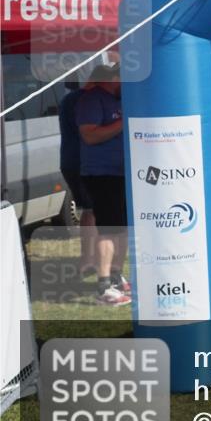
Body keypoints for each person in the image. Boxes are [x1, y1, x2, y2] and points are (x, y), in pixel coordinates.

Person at [75, 64, 130, 306]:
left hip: (122, 173)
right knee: (109, 229)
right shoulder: (92, 100)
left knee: (123, 228)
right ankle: (104, 286)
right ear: (114, 78)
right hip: (101, 174)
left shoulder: (117, 99)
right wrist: (123, 122)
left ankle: (116, 276)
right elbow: (89, 135)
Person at [58, 80, 97, 277]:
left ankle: (88, 260)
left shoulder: (69, 99)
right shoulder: (88, 101)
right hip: (84, 162)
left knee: (89, 211)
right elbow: (91, 134)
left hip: (70, 161)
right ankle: (89, 261)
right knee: (93, 212)